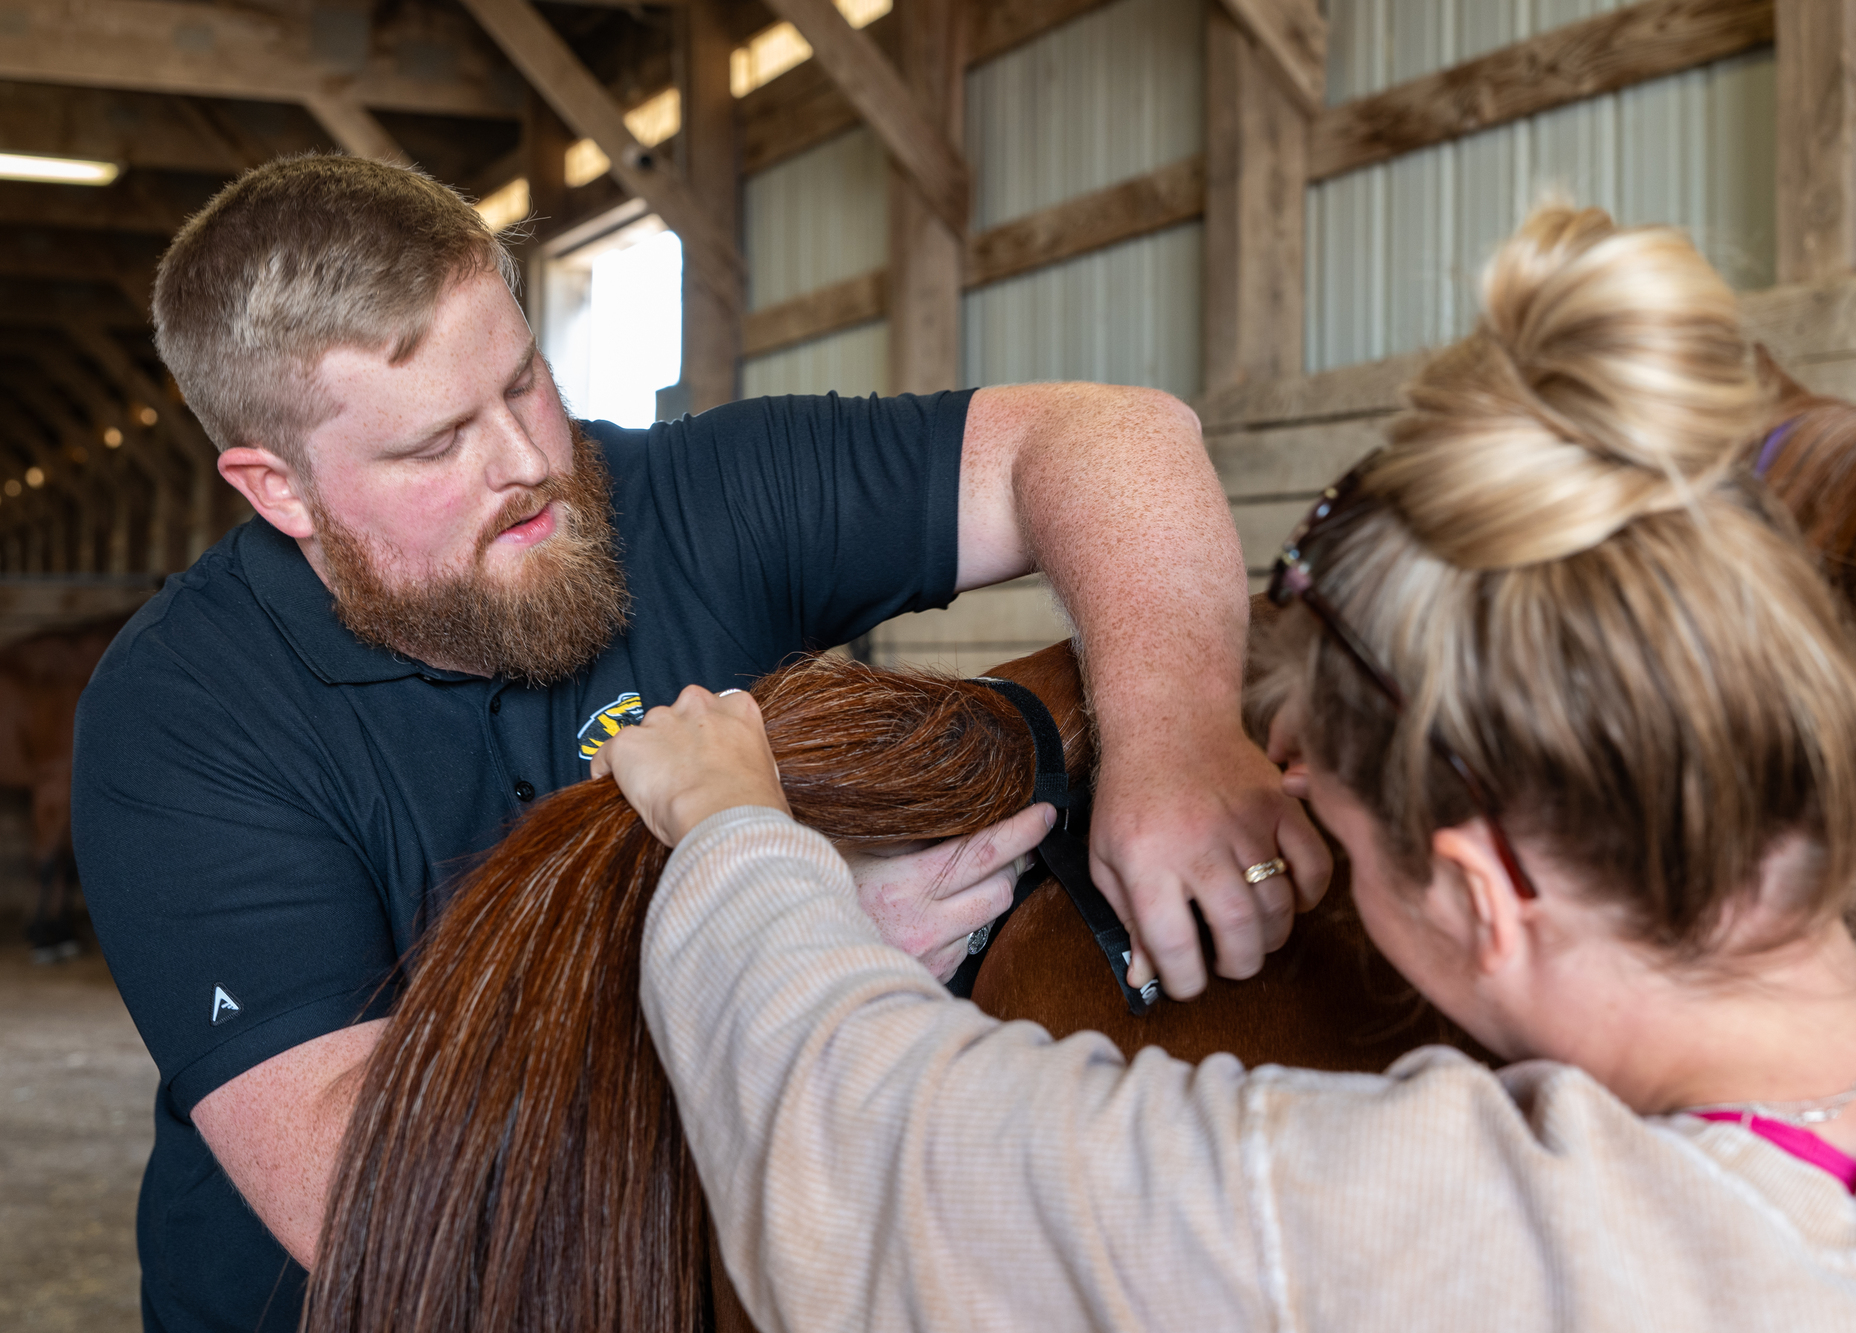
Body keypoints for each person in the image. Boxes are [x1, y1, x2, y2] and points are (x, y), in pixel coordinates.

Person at [70, 153, 1326, 1332]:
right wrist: (787, 946)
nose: (527, 463)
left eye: (521, 381)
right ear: (276, 488)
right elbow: (366, 1190)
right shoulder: (185, 716)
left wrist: (1174, 734)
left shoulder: (684, 496)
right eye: (433, 443)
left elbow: (1111, 436)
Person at [603, 206, 1856, 1330]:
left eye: (1339, 841)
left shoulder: (1444, 1238)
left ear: (1482, 892)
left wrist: (729, 822)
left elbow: (871, 1163)